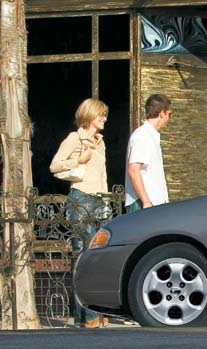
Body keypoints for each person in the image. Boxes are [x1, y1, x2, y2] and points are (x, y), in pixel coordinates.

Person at [50, 98, 110, 329]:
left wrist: (105, 201)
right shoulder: (75, 138)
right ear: (89, 116)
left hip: (98, 200)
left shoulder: (100, 141)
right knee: (82, 258)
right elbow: (55, 165)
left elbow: (102, 174)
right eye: (100, 115)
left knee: (96, 258)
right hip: (81, 199)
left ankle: (94, 311)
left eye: (105, 115)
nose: (104, 119)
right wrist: (80, 159)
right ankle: (85, 316)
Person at [124, 93, 172, 213]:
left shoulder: (150, 135)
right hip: (143, 204)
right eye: (169, 114)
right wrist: (146, 201)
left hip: (153, 203)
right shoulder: (143, 135)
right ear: (162, 113)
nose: (169, 118)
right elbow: (133, 169)